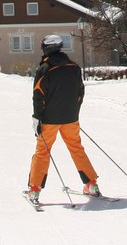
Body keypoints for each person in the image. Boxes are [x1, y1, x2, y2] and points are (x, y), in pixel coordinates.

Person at [25, 34, 100, 204]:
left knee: (42, 153)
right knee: (76, 149)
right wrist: (74, 112)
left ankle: (34, 190)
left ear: (46, 48)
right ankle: (91, 184)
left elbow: (38, 96)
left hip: (49, 120)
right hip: (71, 118)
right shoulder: (74, 67)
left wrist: (37, 117)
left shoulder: (44, 69)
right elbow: (80, 92)